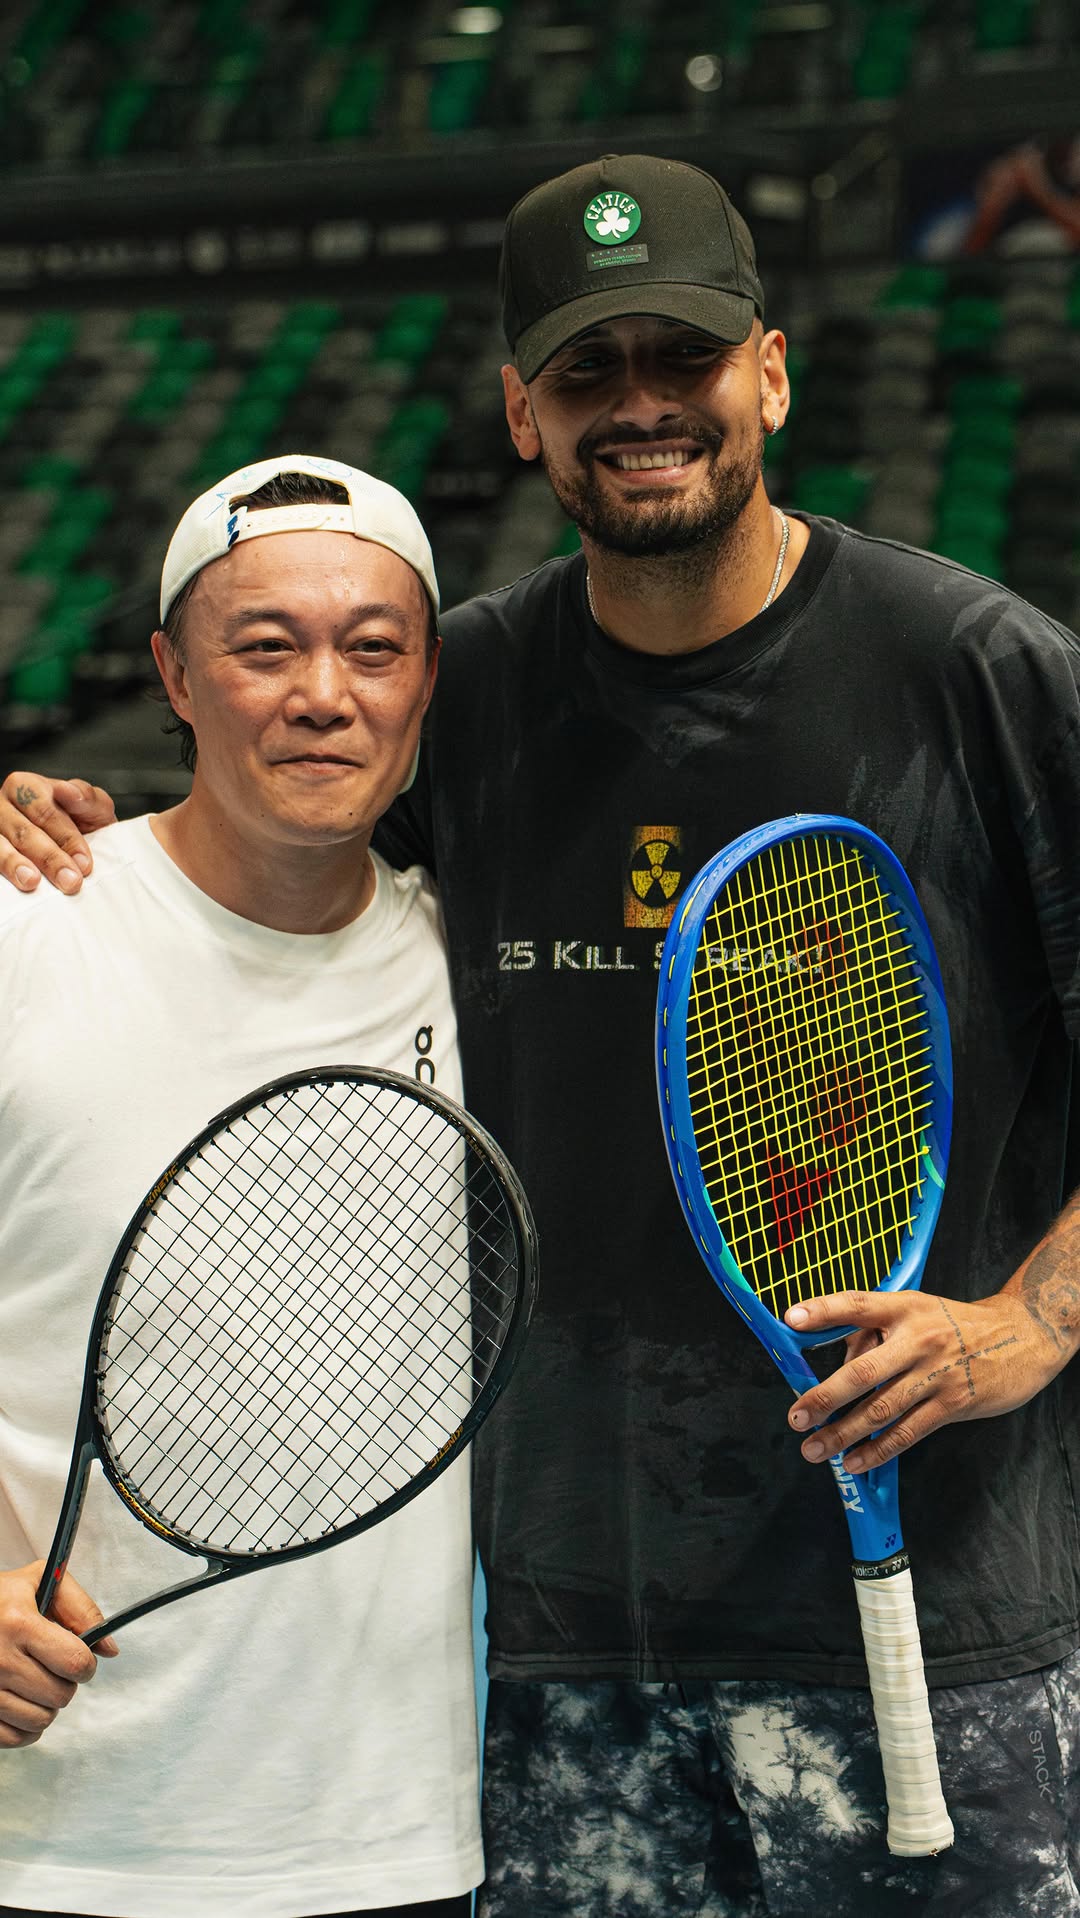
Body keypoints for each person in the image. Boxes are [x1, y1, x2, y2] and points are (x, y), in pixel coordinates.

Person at [4, 153, 1080, 1916]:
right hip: (567, 1676)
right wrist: (48, 829)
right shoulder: (472, 688)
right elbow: (261, 842)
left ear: (774, 375)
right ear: (524, 411)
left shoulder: (979, 670)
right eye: (589, 371)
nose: (642, 405)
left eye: (687, 358)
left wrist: (1025, 1322)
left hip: (933, 1640)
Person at [0, 454, 480, 1918]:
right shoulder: (27, 926)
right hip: (51, 1837)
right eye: (264, 645)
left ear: (425, 683)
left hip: (392, 1832)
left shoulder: (490, 964)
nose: (322, 692)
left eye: (372, 647)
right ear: (175, 674)